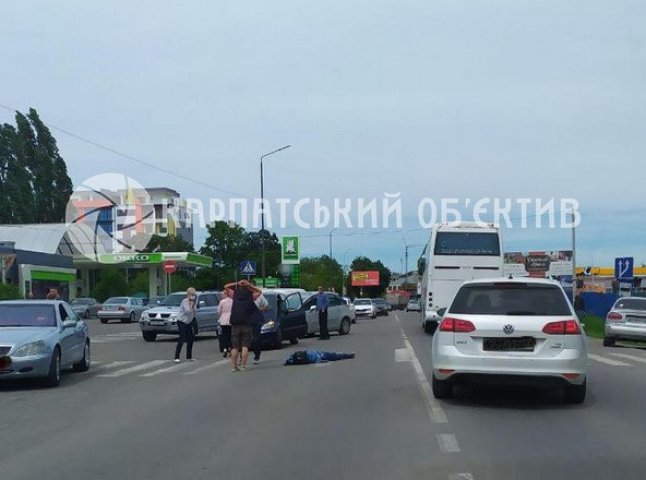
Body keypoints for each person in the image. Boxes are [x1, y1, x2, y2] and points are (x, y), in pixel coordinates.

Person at [228, 280, 256, 372]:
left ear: (239, 287)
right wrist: (250, 285)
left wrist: (236, 283)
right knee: (245, 345)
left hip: (235, 322)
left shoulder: (234, 294)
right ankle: (243, 366)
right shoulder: (251, 295)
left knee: (235, 347)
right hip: (247, 322)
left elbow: (226, 287)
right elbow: (259, 292)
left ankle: (233, 367)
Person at [174, 287, 197, 363]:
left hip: (188, 322)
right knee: (182, 338)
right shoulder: (185, 301)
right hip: (181, 321)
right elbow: (188, 311)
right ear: (188, 295)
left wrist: (193, 307)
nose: (193, 296)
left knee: (191, 338)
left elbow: (194, 312)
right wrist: (191, 306)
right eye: (191, 295)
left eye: (194, 295)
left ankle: (189, 356)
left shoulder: (194, 302)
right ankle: (176, 356)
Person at [252, 289, 269, 364]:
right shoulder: (245, 296)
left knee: (256, 337)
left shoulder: (260, 296)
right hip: (246, 319)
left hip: (256, 319)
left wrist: (260, 310)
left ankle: (257, 353)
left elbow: (266, 305)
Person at [218, 287, 233, 358]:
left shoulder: (222, 302)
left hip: (223, 320)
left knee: (224, 335)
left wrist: (221, 315)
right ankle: (230, 347)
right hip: (231, 320)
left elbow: (219, 311)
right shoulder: (232, 301)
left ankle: (225, 348)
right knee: (230, 335)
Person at [284, 350, 355, 365]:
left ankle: (348, 355)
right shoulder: (307, 358)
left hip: (319, 353)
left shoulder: (294, 357)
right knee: (336, 355)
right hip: (321, 354)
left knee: (335, 355)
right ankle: (349, 355)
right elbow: (316, 359)